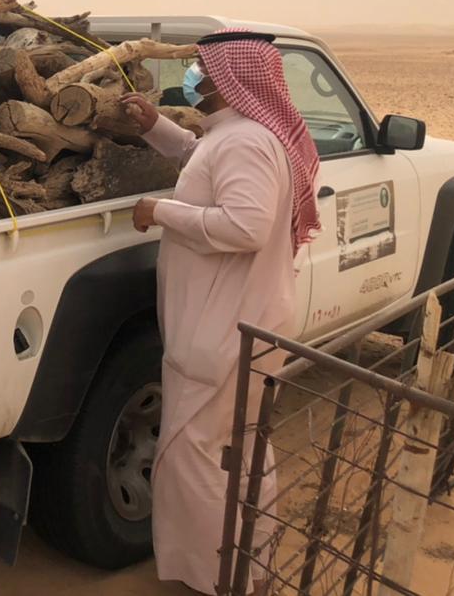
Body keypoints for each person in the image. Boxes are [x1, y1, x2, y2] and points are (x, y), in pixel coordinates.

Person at [123, 29, 320, 596]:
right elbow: (201, 162)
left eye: (201, 69)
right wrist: (155, 127)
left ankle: (218, 580)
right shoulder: (247, 134)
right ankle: (253, 570)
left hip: (222, 330)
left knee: (194, 457)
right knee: (243, 447)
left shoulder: (244, 143)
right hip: (250, 322)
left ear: (227, 78)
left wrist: (159, 210)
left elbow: (245, 225)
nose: (193, 78)